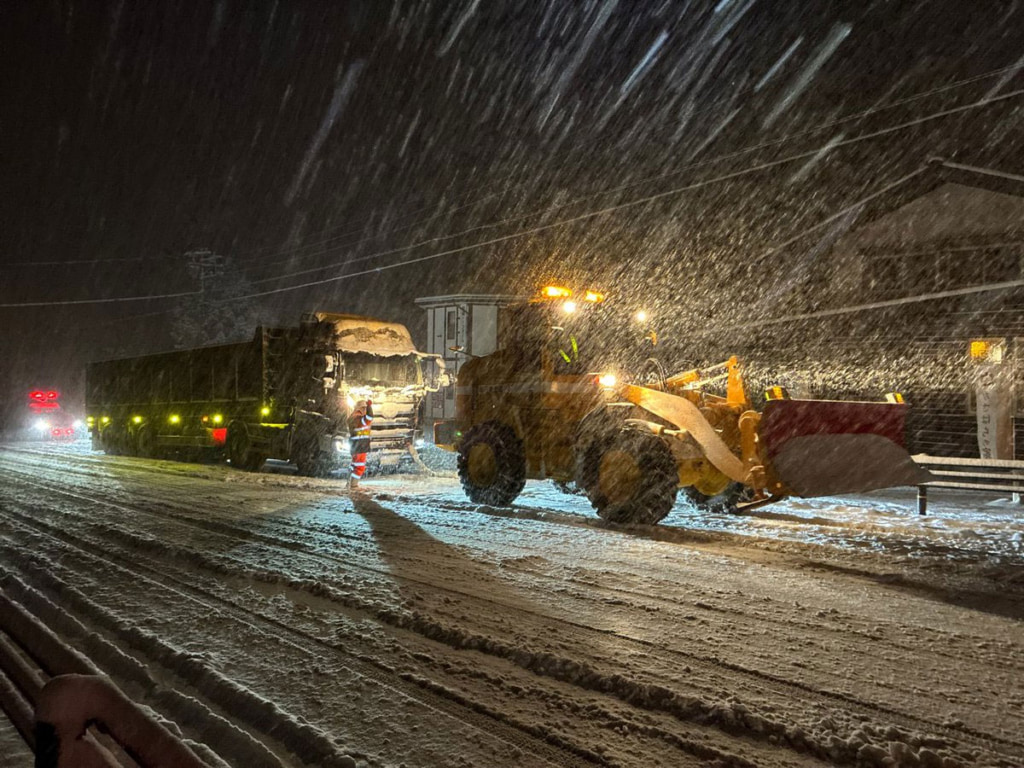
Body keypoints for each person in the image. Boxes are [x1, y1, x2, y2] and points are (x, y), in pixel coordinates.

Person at [348, 399, 373, 490]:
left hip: (357, 446)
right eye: (364, 408)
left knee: (355, 466)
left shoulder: (353, 417)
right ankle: (353, 486)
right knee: (359, 467)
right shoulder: (358, 418)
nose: (365, 410)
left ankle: (350, 483)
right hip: (359, 446)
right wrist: (370, 406)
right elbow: (369, 418)